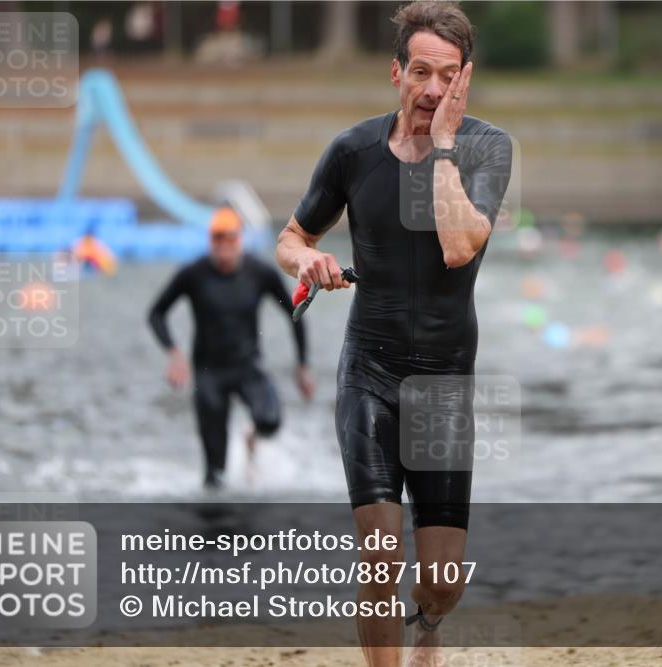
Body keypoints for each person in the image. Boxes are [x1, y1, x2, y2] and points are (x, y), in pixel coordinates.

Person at [274, 2, 512, 665]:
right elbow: (290, 238)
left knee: (441, 583)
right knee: (379, 557)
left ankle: (428, 626)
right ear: (396, 72)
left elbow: (459, 246)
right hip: (370, 372)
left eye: (448, 76)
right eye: (420, 73)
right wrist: (307, 260)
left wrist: (443, 148)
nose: (432, 90)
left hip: (443, 385)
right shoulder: (353, 151)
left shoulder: (488, 149)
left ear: (465, 80)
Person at [149, 208, 314, 488]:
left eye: (230, 239)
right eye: (217, 239)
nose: (224, 247)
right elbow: (156, 313)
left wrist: (302, 365)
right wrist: (174, 353)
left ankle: (251, 438)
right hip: (208, 373)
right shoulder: (193, 274)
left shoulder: (260, 273)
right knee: (215, 475)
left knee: (270, 421)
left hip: (247, 366)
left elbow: (295, 314)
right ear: (210, 241)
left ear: (240, 239)